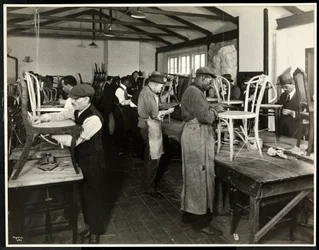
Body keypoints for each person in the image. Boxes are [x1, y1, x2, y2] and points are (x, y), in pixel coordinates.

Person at [31, 84, 105, 244]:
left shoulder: (94, 118)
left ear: (86, 99)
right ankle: (88, 225)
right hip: (82, 158)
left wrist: (49, 133)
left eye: (75, 100)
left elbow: (75, 141)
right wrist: (44, 118)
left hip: (93, 162)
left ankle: (95, 232)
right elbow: (63, 114)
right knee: (84, 196)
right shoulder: (79, 110)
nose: (72, 102)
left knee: (93, 197)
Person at [180, 67, 224, 236]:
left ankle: (188, 214)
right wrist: (215, 110)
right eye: (210, 81)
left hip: (191, 134)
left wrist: (209, 106)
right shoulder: (196, 92)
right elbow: (206, 118)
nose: (210, 85)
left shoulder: (192, 90)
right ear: (203, 78)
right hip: (196, 135)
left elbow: (199, 109)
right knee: (200, 177)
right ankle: (201, 222)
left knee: (191, 177)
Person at [137, 72, 174, 198]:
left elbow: (155, 106)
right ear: (155, 84)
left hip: (147, 125)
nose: (161, 89)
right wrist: (168, 111)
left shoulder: (148, 91)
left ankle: (147, 184)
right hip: (149, 127)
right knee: (153, 159)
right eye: (160, 87)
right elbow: (155, 115)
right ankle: (149, 188)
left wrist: (165, 98)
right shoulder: (148, 94)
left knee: (150, 158)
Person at [276, 67, 305, 138]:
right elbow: (278, 104)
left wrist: (291, 112)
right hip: (283, 130)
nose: (284, 89)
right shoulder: (283, 95)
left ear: (293, 84)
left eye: (286, 87)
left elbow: (305, 115)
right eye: (282, 88)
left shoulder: (301, 96)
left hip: (297, 130)